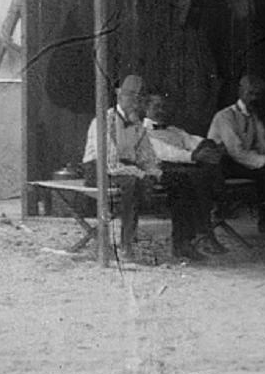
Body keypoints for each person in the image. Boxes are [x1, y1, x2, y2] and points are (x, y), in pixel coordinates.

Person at [80, 74, 201, 262]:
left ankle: (183, 243)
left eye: (138, 98)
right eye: (131, 96)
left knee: (180, 178)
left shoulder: (136, 123)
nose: (135, 101)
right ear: (119, 97)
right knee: (132, 183)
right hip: (99, 167)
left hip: (128, 167)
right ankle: (126, 245)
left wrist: (157, 172)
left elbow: (146, 155)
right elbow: (110, 162)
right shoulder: (105, 120)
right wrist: (141, 173)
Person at [207, 75, 265, 241]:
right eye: (250, 94)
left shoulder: (253, 117)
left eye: (257, 94)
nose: (254, 98)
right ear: (241, 92)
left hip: (242, 161)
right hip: (222, 164)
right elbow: (235, 151)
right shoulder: (225, 116)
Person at [142, 92, 228, 256]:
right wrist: (193, 156)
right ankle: (188, 240)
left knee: (204, 170)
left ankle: (201, 235)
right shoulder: (142, 131)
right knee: (188, 181)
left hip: (186, 166)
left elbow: (192, 141)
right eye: (156, 107)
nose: (161, 110)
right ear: (146, 108)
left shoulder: (175, 130)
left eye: (164, 107)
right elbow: (164, 152)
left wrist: (209, 147)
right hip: (161, 169)